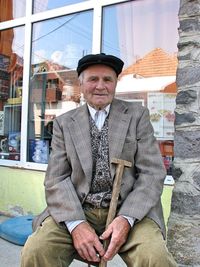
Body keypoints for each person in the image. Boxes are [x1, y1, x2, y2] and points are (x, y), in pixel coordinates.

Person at [21, 53, 177, 267]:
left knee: (156, 258)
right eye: (93, 79)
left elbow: (152, 174)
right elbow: (56, 179)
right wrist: (76, 225)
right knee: (37, 251)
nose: (100, 86)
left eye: (107, 80)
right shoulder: (64, 123)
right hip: (77, 208)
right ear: (81, 83)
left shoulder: (136, 116)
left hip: (129, 209)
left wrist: (126, 218)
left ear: (115, 84)